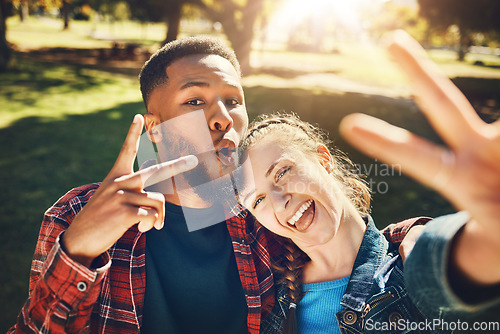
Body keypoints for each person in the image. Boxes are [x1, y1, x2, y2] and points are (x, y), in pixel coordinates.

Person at [9, 36, 422, 334]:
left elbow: (346, 240)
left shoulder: (262, 208)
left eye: (234, 100)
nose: (223, 117)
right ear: (154, 128)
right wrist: (78, 251)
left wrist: (417, 233)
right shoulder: (77, 215)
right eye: (194, 101)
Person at [237, 31, 500, 334]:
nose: (279, 200)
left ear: (323, 161)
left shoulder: (407, 268)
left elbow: (471, 259)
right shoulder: (270, 297)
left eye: (281, 172)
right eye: (257, 200)